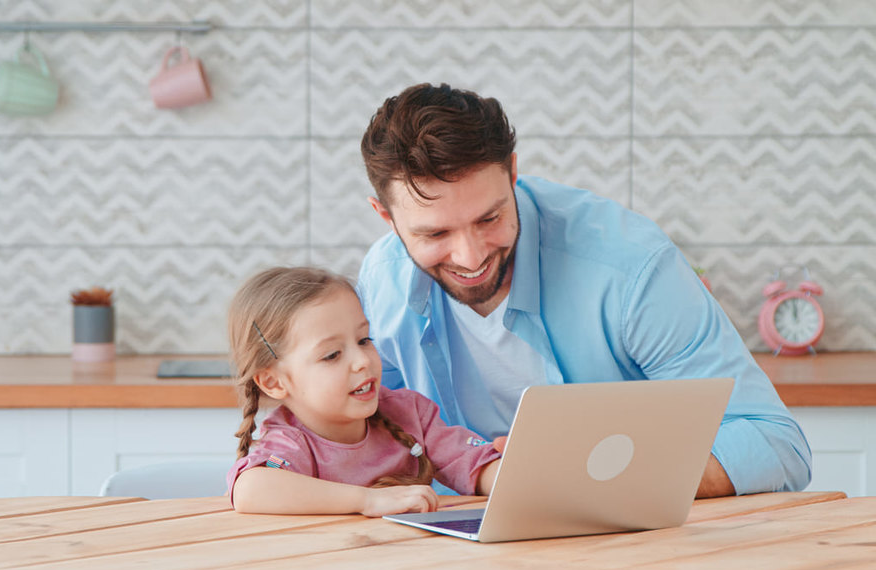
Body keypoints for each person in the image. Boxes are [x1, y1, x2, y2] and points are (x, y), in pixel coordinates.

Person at [356, 82, 812, 498]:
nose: (470, 256)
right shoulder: (382, 281)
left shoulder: (629, 267)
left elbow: (775, 445)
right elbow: (377, 437)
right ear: (386, 217)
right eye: (435, 236)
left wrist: (579, 475)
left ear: (513, 173)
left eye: (489, 218)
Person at [226, 266, 502, 516]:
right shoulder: (290, 442)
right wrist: (367, 500)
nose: (362, 361)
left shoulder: (410, 413)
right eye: (332, 355)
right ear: (274, 383)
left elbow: (472, 464)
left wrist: (511, 476)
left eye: (364, 340)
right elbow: (250, 489)